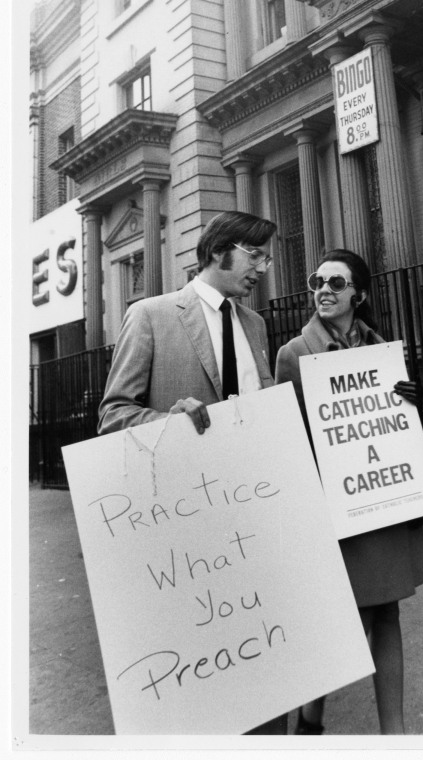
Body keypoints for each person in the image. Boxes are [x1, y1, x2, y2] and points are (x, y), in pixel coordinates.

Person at [97, 210, 288, 736]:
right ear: (219, 250)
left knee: (263, 667)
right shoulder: (152, 315)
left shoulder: (255, 325)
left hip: (250, 523)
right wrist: (168, 422)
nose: (263, 269)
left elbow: (262, 413)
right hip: (185, 537)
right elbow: (113, 416)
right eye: (256, 256)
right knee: (201, 683)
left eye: (268, 257)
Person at [274, 248, 423, 735]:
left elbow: (393, 423)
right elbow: (287, 437)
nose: (323, 289)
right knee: (338, 622)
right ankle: (311, 712)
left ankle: (395, 733)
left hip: (381, 500)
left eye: (336, 283)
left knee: (386, 609)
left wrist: (411, 397)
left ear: (358, 295)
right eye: (317, 281)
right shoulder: (293, 354)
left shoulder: (382, 346)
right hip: (332, 506)